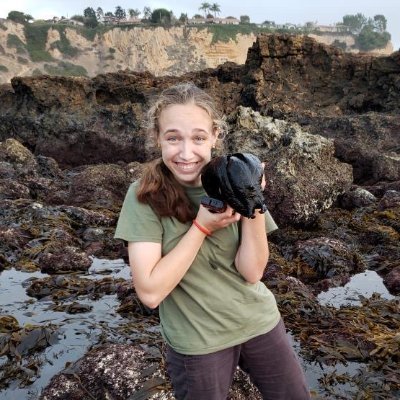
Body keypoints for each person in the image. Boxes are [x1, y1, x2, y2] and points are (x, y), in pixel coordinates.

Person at [115, 82, 310, 400]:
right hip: (198, 341)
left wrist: (252, 200)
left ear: (215, 136)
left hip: (259, 322)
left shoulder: (235, 177)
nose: (186, 153)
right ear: (158, 138)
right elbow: (150, 293)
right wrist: (201, 228)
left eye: (198, 138)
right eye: (173, 138)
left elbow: (252, 272)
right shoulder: (143, 197)